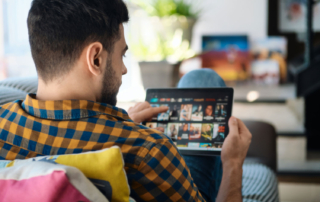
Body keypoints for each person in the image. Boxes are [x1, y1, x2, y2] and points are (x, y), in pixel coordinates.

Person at [0, 1, 252, 202]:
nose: (123, 70)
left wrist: (122, 123)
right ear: (95, 58)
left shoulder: (3, 121)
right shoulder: (149, 150)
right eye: (122, 54)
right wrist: (233, 164)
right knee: (203, 79)